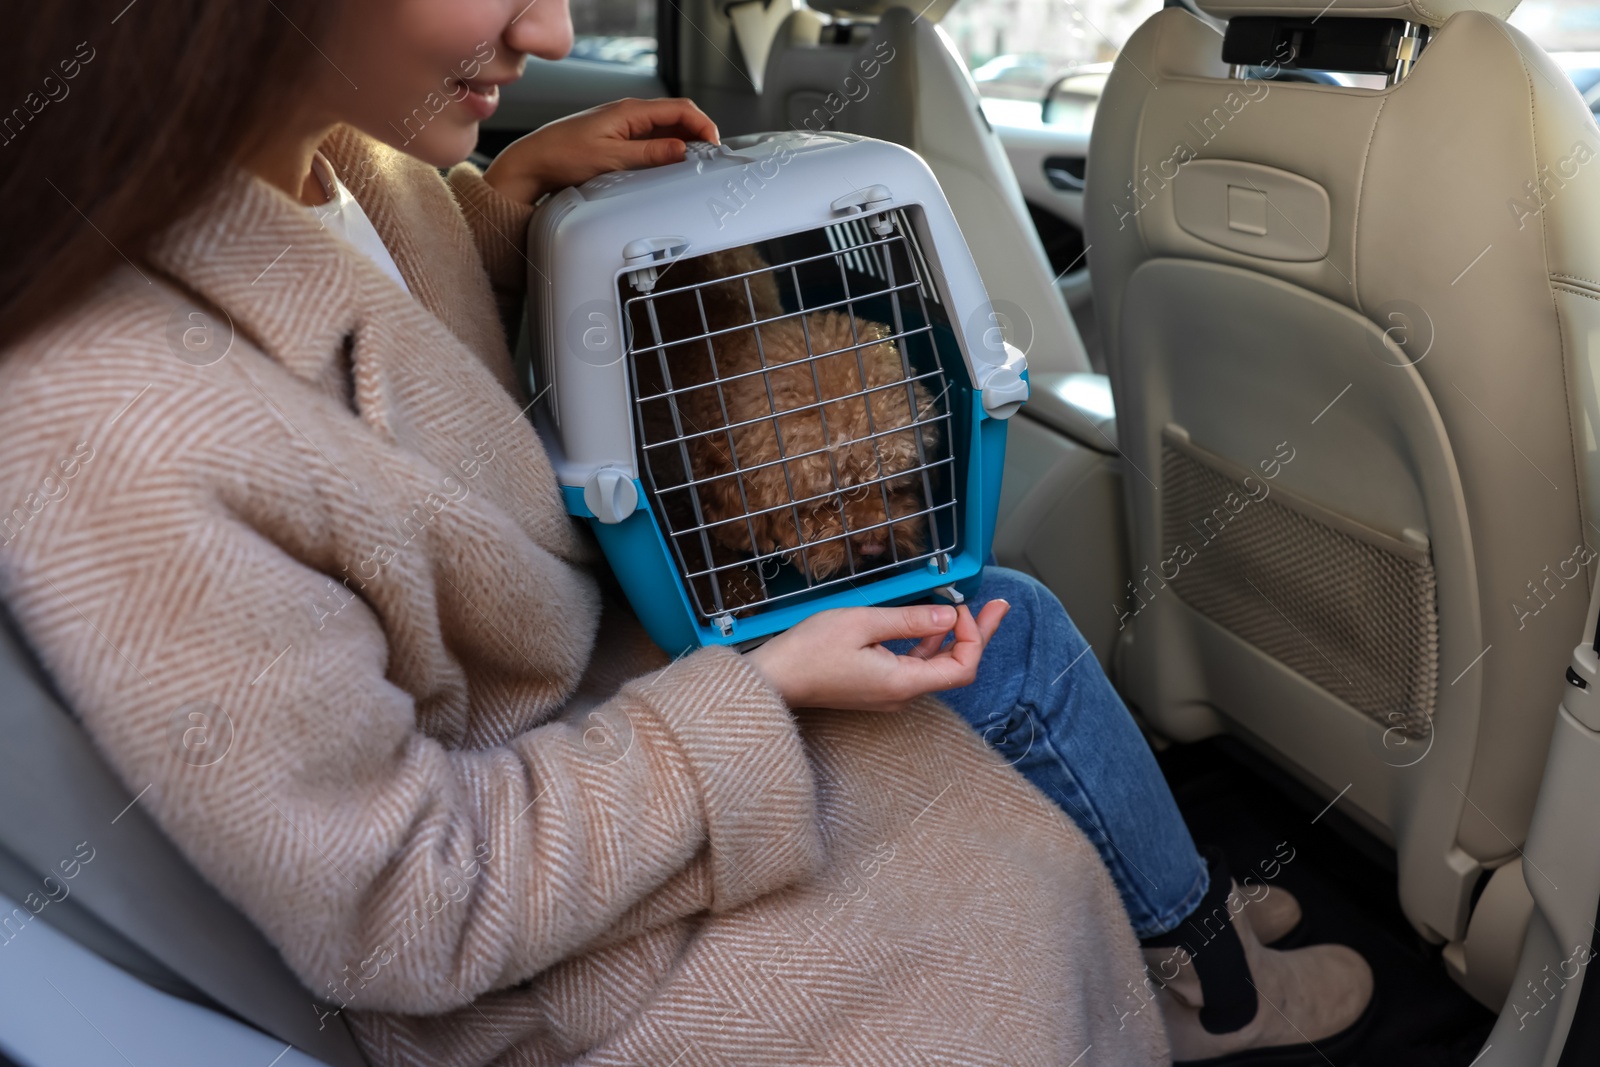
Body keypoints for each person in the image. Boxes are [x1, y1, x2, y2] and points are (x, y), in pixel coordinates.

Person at [0, 3, 1367, 1065]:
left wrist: (505, 204)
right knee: (1000, 928)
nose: (545, 35)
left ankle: (1166, 954)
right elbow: (412, 907)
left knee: (1004, 630)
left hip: (601, 701)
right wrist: (760, 693)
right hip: (539, 959)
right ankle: (1175, 981)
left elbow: (380, 345)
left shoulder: (350, 168)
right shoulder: (108, 418)